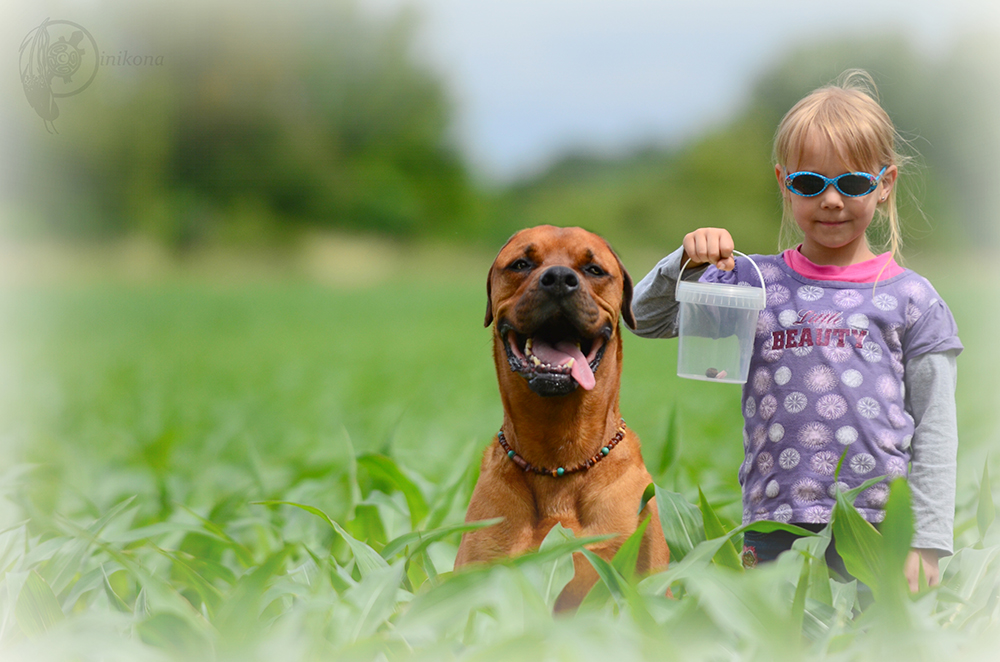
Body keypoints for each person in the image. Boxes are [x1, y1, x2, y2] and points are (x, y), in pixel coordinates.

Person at [630, 70, 962, 591]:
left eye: (852, 183)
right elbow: (643, 318)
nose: (831, 200)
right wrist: (684, 262)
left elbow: (937, 434)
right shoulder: (753, 282)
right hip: (772, 525)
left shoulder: (912, 299)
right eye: (811, 183)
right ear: (785, 184)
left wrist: (927, 541)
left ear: (885, 184)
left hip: (878, 531)